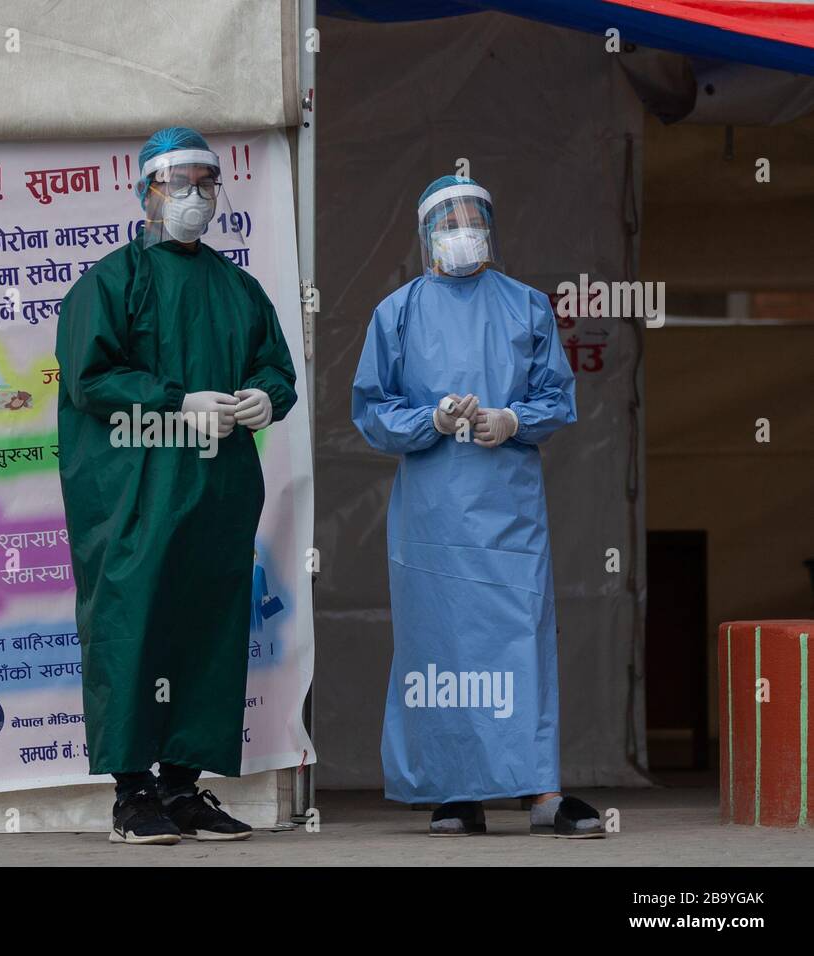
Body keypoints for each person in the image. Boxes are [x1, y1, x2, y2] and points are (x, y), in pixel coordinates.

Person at [56, 127, 297, 845]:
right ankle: (133, 794)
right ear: (146, 192)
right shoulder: (110, 282)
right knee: (133, 625)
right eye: (178, 183)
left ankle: (185, 787)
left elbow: (275, 368)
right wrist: (174, 401)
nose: (195, 197)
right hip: (134, 491)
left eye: (206, 183)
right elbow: (89, 377)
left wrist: (263, 398)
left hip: (216, 492)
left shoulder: (238, 288)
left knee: (209, 629)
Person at [351, 175, 602, 838]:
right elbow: (374, 410)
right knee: (439, 645)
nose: (464, 229)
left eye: (474, 217)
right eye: (450, 219)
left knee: (521, 640)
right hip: (432, 515)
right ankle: (452, 791)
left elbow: (556, 397)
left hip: (507, 512)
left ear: (491, 224)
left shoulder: (525, 308)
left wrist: (513, 420)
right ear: (426, 233)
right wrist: (429, 417)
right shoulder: (397, 313)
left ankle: (542, 792)